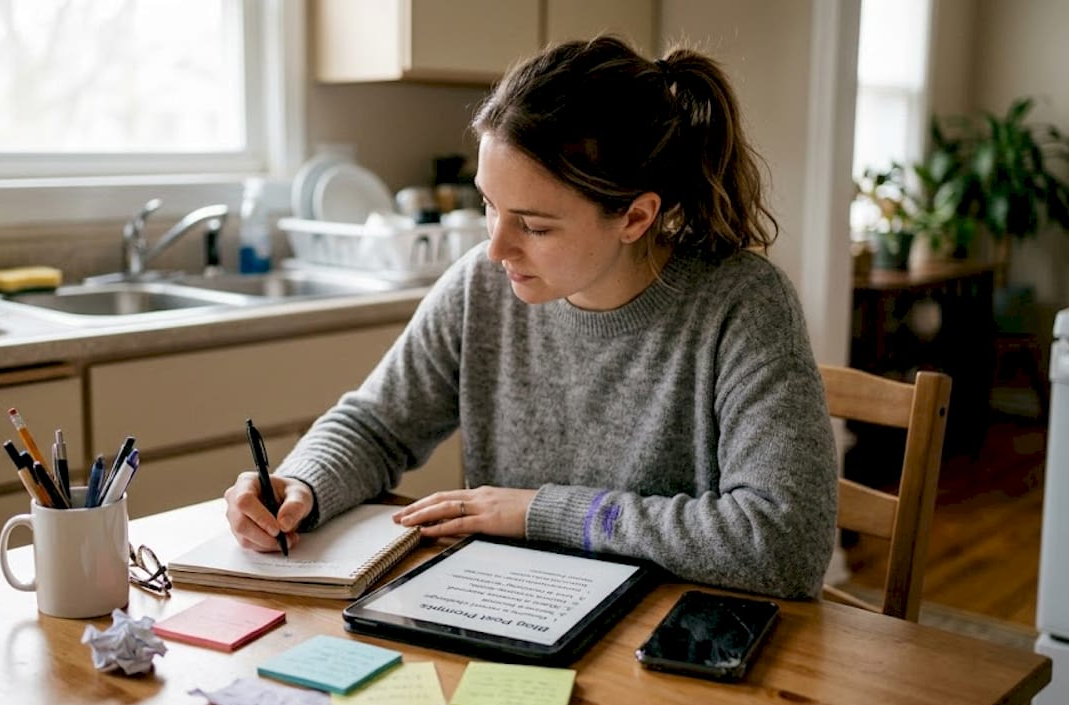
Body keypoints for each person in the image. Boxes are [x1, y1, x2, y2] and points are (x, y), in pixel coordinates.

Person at [225, 36, 838, 599]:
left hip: (675, 645)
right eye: (489, 207)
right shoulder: (480, 286)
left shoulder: (743, 305)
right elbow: (377, 425)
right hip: (515, 613)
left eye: (535, 226)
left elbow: (783, 542)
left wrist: (539, 513)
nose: (496, 248)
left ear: (635, 217)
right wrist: (300, 485)